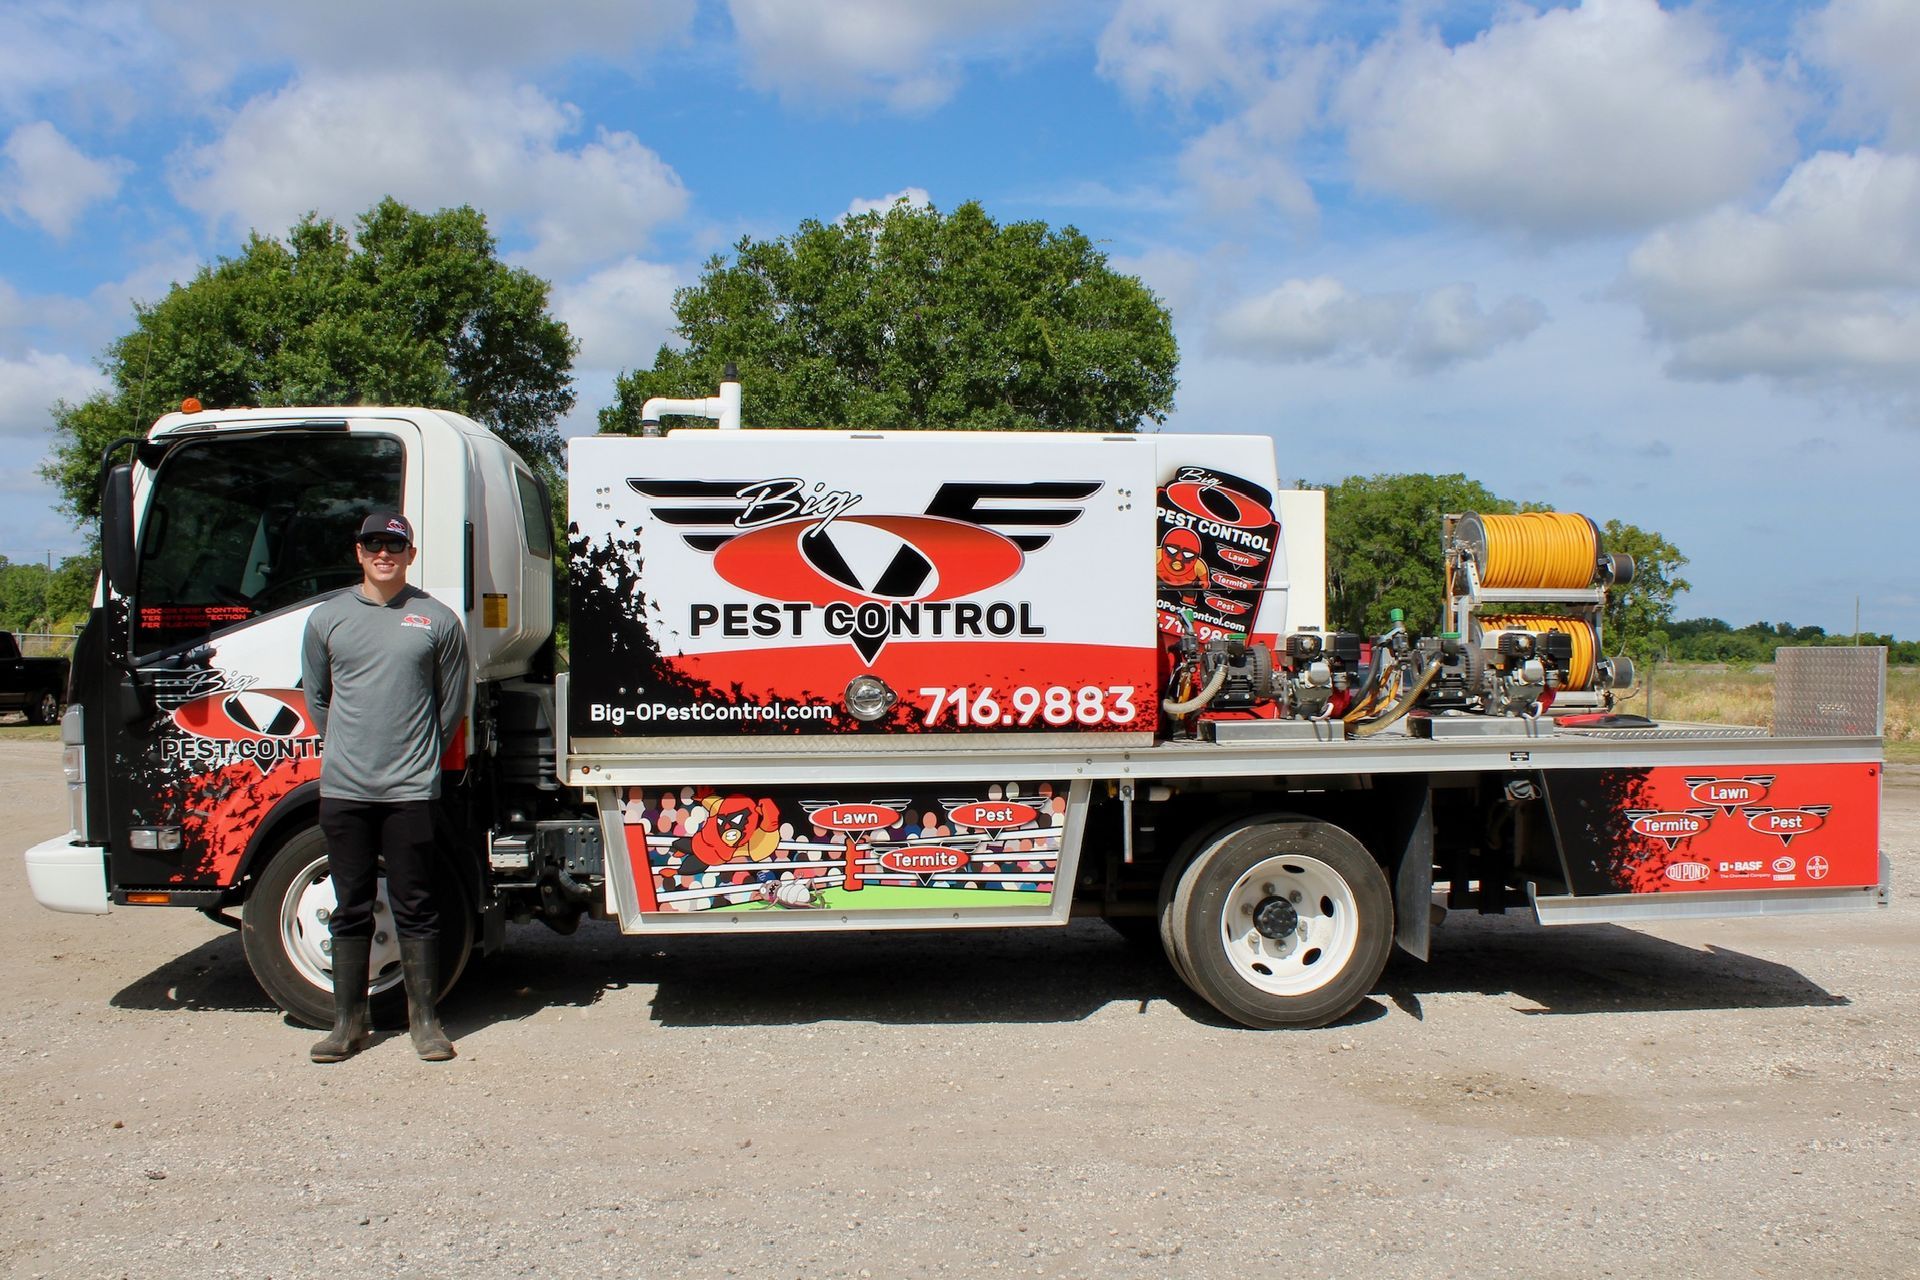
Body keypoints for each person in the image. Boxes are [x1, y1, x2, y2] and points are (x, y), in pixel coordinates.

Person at [301, 511, 470, 1063]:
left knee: (415, 904)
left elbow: (451, 702)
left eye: (395, 546)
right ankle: (348, 1025)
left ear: (410, 555)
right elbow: (319, 697)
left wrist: (421, 759)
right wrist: (348, 750)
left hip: (409, 791)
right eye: (374, 544)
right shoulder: (327, 619)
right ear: (359, 552)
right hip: (346, 788)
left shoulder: (435, 620)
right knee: (350, 904)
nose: (384, 554)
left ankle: (425, 1022)